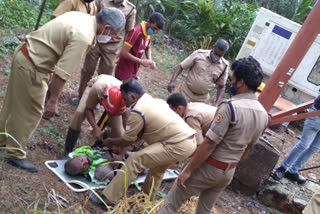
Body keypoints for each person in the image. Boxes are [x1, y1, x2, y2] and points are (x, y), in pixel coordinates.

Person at [0, 8, 126, 172]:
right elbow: (63, 72)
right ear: (107, 27)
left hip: (25, 55)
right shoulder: (84, 36)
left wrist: (49, 69)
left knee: (12, 103)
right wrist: (53, 100)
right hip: (33, 66)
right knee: (32, 111)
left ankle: (3, 138)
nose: (111, 37)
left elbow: (55, 42)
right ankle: (14, 153)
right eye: (112, 33)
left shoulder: (81, 17)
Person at [158, 56, 268, 214]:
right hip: (228, 172)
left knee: (172, 203)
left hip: (209, 167)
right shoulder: (263, 114)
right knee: (205, 210)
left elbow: (209, 144)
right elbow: (249, 148)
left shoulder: (229, 107)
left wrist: (188, 170)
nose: (231, 83)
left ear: (241, 82)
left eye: (233, 79)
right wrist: (229, 163)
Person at [89, 78, 196, 207]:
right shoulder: (153, 101)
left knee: (135, 160)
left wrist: (110, 141)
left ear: (133, 97)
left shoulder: (137, 111)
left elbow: (128, 139)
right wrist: (122, 150)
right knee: (157, 170)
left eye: (124, 99)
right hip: (188, 141)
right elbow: (137, 136)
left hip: (177, 144)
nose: (123, 102)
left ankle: (108, 199)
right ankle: (145, 201)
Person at [75, 0, 136, 103]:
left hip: (112, 46)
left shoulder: (130, 9)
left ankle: (97, 100)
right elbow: (93, 16)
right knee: (87, 69)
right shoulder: (101, 1)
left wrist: (122, 50)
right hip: (96, 41)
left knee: (105, 75)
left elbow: (129, 32)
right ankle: (81, 96)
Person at [64, 75, 127, 156]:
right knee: (79, 113)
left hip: (114, 101)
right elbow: (88, 109)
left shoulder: (126, 101)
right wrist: (95, 127)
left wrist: (120, 143)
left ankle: (100, 147)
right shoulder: (97, 89)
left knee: (119, 132)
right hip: (95, 86)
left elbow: (126, 127)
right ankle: (67, 151)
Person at [272, 95, 320, 184]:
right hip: (317, 115)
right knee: (304, 145)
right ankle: (282, 168)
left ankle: (293, 171)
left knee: (314, 148)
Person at [167, 39, 230, 105]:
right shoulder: (199, 54)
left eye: (219, 56)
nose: (216, 57)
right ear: (213, 47)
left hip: (202, 99)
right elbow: (181, 66)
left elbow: (221, 86)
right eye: (215, 53)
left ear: (224, 53)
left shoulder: (224, 66)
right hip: (186, 92)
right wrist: (172, 81)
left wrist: (217, 102)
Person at [114, 12, 165, 81]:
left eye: (157, 30)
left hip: (133, 70)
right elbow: (124, 53)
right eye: (154, 28)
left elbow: (148, 47)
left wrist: (150, 60)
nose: (155, 32)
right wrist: (141, 61)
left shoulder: (148, 33)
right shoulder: (135, 32)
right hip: (124, 70)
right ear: (148, 21)